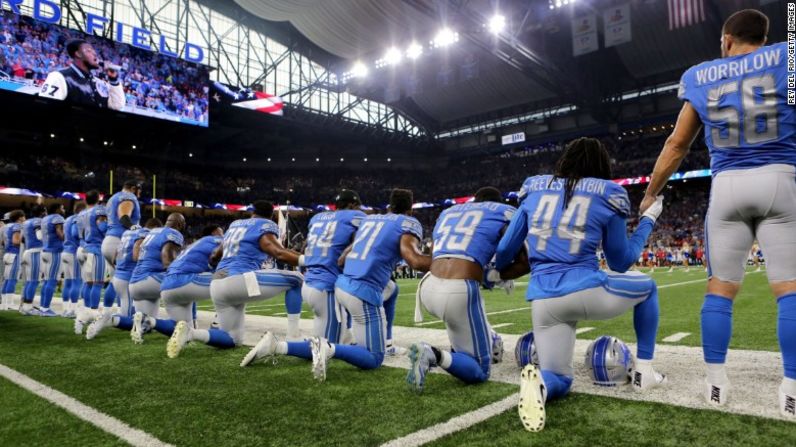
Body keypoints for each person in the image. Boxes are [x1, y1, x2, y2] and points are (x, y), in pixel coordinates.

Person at [639, 9, 796, 417]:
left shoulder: (703, 74)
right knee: (790, 291)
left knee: (720, 291)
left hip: (727, 185)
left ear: (727, 40)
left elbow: (676, 144)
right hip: (781, 178)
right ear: (764, 36)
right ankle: (792, 390)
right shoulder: (787, 55)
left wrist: (651, 192)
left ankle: (715, 384)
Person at [495, 138, 666, 432]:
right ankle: (645, 371)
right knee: (647, 288)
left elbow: (503, 252)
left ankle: (542, 386)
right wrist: (648, 219)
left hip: (543, 301)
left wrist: (503, 272)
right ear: (602, 166)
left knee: (559, 377)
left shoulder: (534, 188)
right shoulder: (609, 193)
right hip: (586, 290)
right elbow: (620, 262)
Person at [240, 190, 431, 381]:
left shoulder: (320, 218)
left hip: (320, 282)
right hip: (330, 287)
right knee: (334, 346)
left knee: (391, 289)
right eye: (357, 206)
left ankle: (383, 342)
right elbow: (412, 259)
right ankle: (280, 346)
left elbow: (339, 256)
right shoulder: (366, 218)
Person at [406, 186, 521, 392]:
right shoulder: (504, 212)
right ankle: (433, 354)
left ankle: (458, 352)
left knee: (463, 331)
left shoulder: (447, 212)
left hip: (428, 285)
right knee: (480, 370)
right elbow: (517, 255)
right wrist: (498, 273)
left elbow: (437, 253)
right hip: (458, 290)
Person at [166, 201, 304, 358]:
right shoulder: (265, 224)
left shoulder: (235, 225)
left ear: (252, 212)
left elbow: (214, 256)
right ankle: (294, 337)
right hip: (238, 280)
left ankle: (191, 333)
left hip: (217, 285)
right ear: (271, 216)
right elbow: (278, 253)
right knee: (297, 279)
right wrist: (307, 260)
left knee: (232, 339)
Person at [297, 190, 366, 344]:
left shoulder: (317, 218)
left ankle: (347, 335)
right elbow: (362, 245)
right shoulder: (356, 217)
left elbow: (305, 247)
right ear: (352, 205)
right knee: (325, 346)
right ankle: (279, 346)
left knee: (332, 341)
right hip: (326, 288)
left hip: (308, 284)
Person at [85, 218, 159, 340]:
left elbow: (115, 256)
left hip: (119, 275)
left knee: (130, 314)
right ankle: (107, 318)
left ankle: (104, 317)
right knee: (131, 320)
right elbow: (137, 255)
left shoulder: (127, 233)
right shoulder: (145, 233)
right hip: (127, 277)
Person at [157, 224, 223, 356]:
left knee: (183, 329)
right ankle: (218, 323)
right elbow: (220, 254)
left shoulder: (192, 246)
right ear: (215, 233)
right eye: (221, 232)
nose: (223, 234)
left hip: (166, 287)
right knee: (230, 281)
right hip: (185, 281)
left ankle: (150, 321)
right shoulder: (214, 240)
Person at [128, 213, 186, 343]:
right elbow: (167, 257)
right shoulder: (173, 233)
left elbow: (135, 256)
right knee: (186, 286)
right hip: (152, 279)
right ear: (180, 224)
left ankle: (114, 320)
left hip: (135, 282)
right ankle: (189, 324)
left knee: (146, 324)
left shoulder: (150, 232)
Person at [39, 39, 125, 110]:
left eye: (93, 50)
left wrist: (113, 79)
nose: (94, 53)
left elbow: (117, 106)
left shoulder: (99, 83)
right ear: (78, 54)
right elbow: (46, 108)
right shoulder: (60, 77)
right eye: (89, 50)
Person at [99, 180, 142, 321]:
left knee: (116, 281)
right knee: (127, 281)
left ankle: (110, 312)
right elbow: (124, 217)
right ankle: (127, 317)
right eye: (139, 190)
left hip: (110, 241)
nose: (139, 194)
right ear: (134, 188)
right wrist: (136, 229)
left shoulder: (113, 198)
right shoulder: (128, 197)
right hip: (120, 242)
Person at [74, 191, 107, 334]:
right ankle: (94, 314)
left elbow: (78, 234)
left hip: (85, 248)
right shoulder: (99, 210)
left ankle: (83, 315)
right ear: (98, 198)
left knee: (87, 283)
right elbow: (102, 228)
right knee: (97, 283)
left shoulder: (81, 213)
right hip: (96, 249)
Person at [39, 203, 66, 317]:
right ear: (57, 209)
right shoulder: (58, 218)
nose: (63, 209)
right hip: (54, 251)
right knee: (52, 280)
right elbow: (60, 234)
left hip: (45, 251)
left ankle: (42, 307)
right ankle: (45, 308)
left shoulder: (45, 218)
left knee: (46, 280)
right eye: (62, 207)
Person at [60, 202, 86, 318]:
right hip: (73, 252)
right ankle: (73, 310)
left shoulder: (68, 219)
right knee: (77, 281)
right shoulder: (77, 218)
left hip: (65, 251)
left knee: (68, 282)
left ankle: (66, 308)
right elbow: (75, 233)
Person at [19, 205, 45, 316]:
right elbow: (39, 236)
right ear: (42, 212)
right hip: (36, 252)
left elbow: (22, 239)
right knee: (33, 281)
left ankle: (24, 306)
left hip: (27, 251)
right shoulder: (38, 221)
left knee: (29, 281)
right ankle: (28, 307)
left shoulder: (26, 222)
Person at [1, 210, 25, 310]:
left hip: (7, 254)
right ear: (20, 217)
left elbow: (2, 242)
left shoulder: (6, 226)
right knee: (12, 279)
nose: (25, 218)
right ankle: (9, 304)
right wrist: (25, 241)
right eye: (24, 216)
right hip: (14, 254)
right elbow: (16, 241)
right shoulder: (17, 226)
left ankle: (4, 304)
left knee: (6, 279)